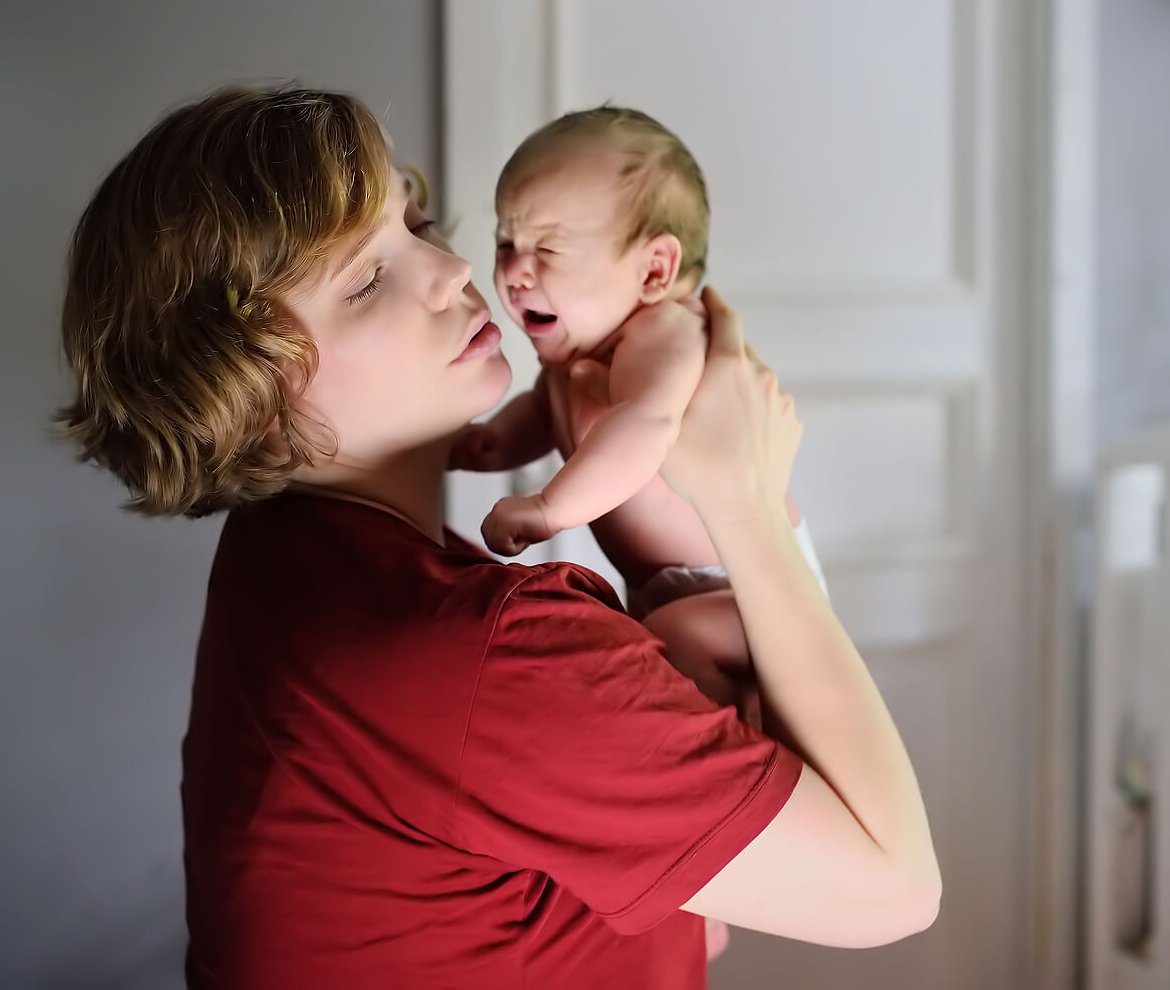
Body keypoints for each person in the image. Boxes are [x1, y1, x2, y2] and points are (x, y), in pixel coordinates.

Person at [57, 84, 940, 989]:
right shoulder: (479, 656)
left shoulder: (281, 550)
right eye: (365, 279)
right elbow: (896, 886)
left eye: (420, 225)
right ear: (245, 400)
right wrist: (744, 497)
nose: (451, 272)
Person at [451, 105, 826, 714]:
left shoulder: (664, 333)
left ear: (655, 270)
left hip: (744, 580)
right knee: (659, 651)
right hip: (675, 592)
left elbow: (645, 427)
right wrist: (483, 444)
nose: (516, 272)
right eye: (505, 242)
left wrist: (548, 511)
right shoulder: (569, 364)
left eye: (548, 248)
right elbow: (540, 417)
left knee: (678, 649)